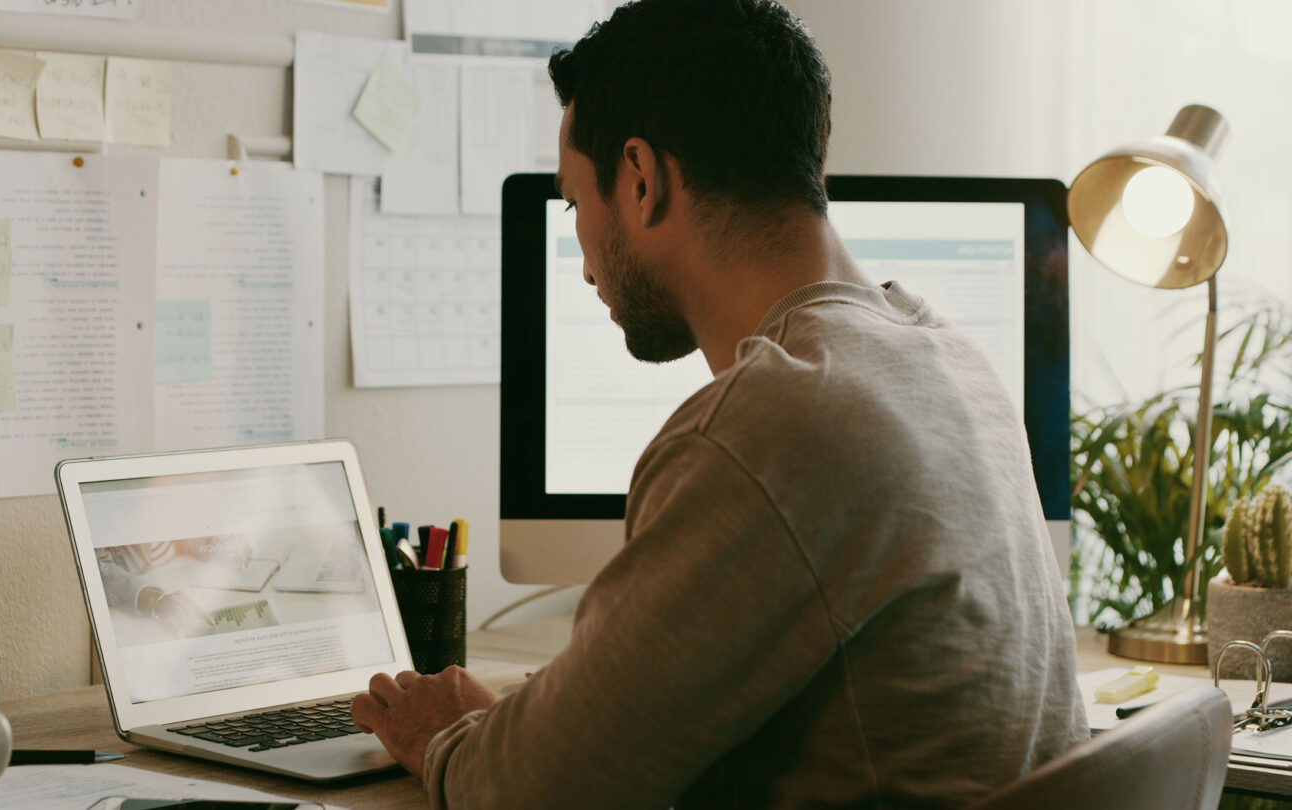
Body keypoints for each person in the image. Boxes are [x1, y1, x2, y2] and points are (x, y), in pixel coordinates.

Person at [350, 0, 1088, 806]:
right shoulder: (949, 356)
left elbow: (532, 795)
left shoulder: (771, 425)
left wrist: (447, 738)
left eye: (573, 203)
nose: (584, 260)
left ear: (640, 178)